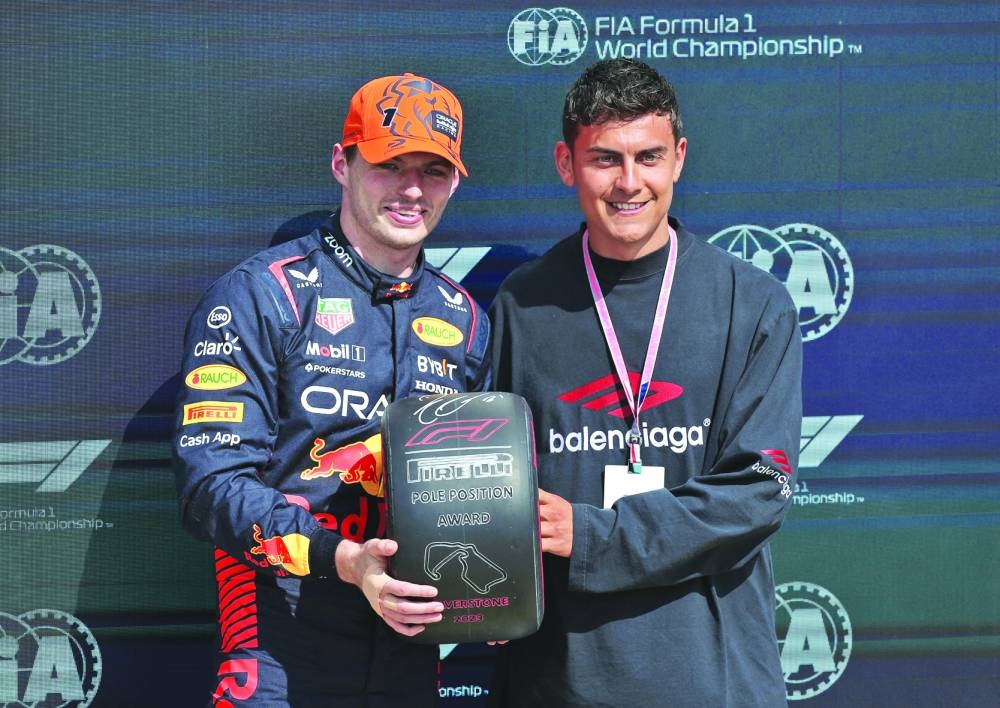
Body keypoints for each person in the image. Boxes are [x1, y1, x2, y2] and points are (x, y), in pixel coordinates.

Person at [487, 58, 803, 706]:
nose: (629, 183)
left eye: (648, 157)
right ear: (566, 163)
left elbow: (759, 491)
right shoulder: (522, 304)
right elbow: (490, 485)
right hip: (560, 681)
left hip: (713, 681)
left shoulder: (753, 303)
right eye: (605, 159)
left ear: (679, 158)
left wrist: (592, 535)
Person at [172, 72, 490, 707]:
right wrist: (345, 559)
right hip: (282, 638)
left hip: (411, 644)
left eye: (433, 170)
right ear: (342, 165)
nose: (411, 189)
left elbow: (476, 489)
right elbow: (211, 487)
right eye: (389, 164)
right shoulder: (264, 294)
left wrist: (495, 584)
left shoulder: (466, 320)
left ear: (454, 183)